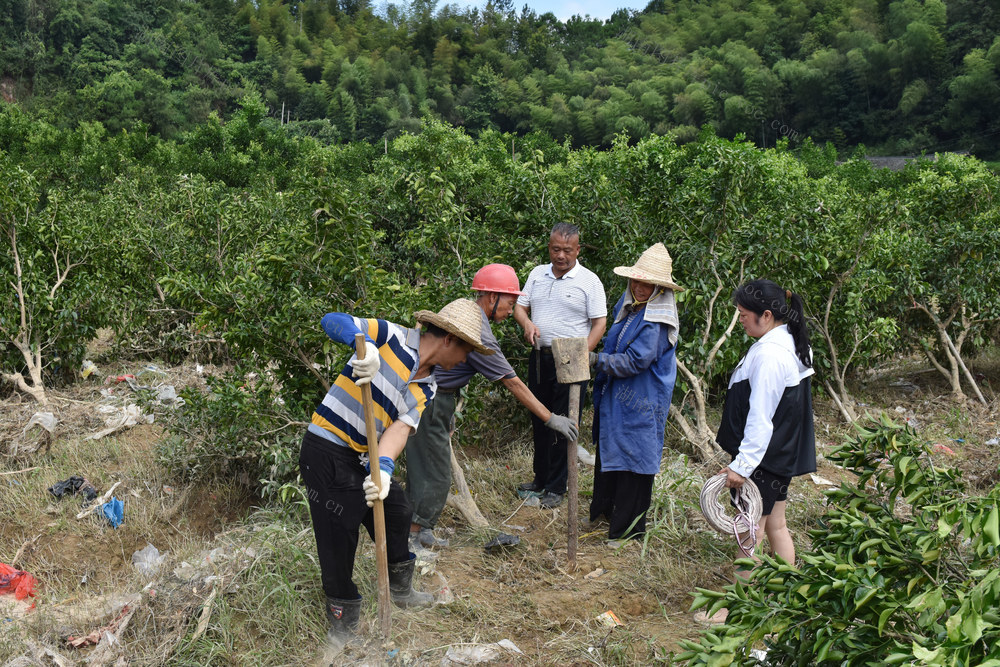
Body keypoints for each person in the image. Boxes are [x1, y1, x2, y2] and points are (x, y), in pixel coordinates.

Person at [299, 299, 493, 642]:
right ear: (449, 339)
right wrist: (365, 347)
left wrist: (384, 472)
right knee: (339, 532)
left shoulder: (429, 385)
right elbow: (331, 319)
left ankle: (401, 590)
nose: (466, 360)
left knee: (398, 509)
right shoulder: (392, 336)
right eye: (466, 351)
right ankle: (343, 621)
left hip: (365, 456)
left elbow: (400, 429)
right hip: (327, 448)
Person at [405, 264, 580, 548]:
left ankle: (420, 529)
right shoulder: (478, 333)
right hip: (429, 399)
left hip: (436, 397)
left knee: (427, 465)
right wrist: (549, 418)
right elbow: (513, 383)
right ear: (491, 297)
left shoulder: (468, 314)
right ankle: (413, 537)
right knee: (432, 470)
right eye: (510, 303)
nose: (511, 311)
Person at [717, 279, 816, 566]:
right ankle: (786, 586)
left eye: (744, 315)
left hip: (763, 459)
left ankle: (739, 596)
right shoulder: (789, 343)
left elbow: (761, 416)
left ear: (767, 315)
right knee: (775, 524)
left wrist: (743, 466)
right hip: (778, 454)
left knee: (750, 532)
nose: (741, 321)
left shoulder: (770, 355)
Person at [589, 243, 681, 542]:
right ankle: (606, 513)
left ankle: (627, 531)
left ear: (659, 289)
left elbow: (635, 361)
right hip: (618, 395)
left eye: (647, 284)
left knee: (635, 458)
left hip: (642, 399)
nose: (639, 288)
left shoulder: (656, 321)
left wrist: (595, 360)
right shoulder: (630, 307)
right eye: (636, 281)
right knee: (612, 449)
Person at [514, 222, 607, 509]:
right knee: (540, 417)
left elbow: (600, 323)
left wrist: (580, 354)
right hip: (540, 356)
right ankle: (540, 479)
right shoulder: (537, 274)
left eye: (567, 250)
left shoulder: (589, 281)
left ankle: (556, 486)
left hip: (571, 360)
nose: (561, 255)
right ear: (549, 248)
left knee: (563, 422)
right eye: (556, 249)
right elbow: (520, 307)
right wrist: (527, 323)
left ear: (578, 250)